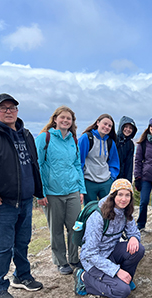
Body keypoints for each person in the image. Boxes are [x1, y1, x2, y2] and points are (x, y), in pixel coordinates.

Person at [0, 93, 43, 298]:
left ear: (17, 111)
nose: (8, 111)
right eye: (3, 107)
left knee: (22, 242)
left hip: (24, 200)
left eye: (12, 107)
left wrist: (38, 192)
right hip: (1, 203)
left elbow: (33, 165)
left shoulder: (26, 135)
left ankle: (22, 276)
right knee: (4, 245)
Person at [73, 179, 145, 298]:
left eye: (127, 195)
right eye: (120, 194)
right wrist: (116, 271)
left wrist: (134, 237)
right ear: (113, 195)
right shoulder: (97, 217)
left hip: (111, 251)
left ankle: (125, 279)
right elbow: (91, 253)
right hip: (92, 260)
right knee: (122, 291)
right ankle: (83, 277)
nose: (124, 199)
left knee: (138, 249)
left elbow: (133, 230)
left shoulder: (125, 210)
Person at [35, 106, 86, 275]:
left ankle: (73, 258)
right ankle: (60, 261)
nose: (65, 121)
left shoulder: (73, 140)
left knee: (75, 227)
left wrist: (81, 189)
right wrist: (40, 193)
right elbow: (38, 165)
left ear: (72, 122)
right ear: (55, 119)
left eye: (69, 119)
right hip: (52, 192)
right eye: (62, 117)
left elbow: (77, 165)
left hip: (72, 190)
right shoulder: (45, 138)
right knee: (56, 229)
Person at [78, 114, 120, 205]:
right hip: (89, 181)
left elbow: (114, 161)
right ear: (98, 123)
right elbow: (79, 162)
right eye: (105, 124)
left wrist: (111, 178)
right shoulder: (87, 138)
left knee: (108, 210)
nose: (107, 127)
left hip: (105, 181)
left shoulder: (110, 142)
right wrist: (81, 183)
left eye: (110, 126)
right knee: (90, 210)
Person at [116, 116, 137, 183]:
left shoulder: (130, 144)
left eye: (130, 128)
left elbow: (129, 165)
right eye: (126, 127)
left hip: (123, 177)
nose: (128, 129)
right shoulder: (114, 140)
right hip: (111, 176)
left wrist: (128, 182)